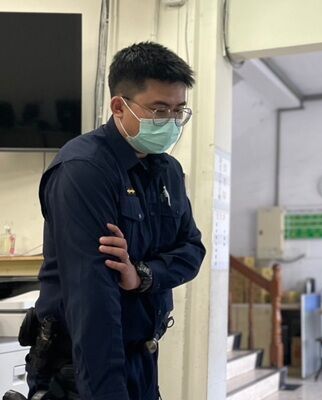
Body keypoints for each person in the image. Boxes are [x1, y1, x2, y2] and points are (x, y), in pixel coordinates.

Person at [25, 42, 206, 400]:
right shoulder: (84, 170)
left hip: (142, 357)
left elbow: (192, 250)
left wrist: (142, 275)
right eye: (159, 110)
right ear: (119, 106)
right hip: (83, 367)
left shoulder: (167, 170)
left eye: (179, 111)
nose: (171, 122)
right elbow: (92, 299)